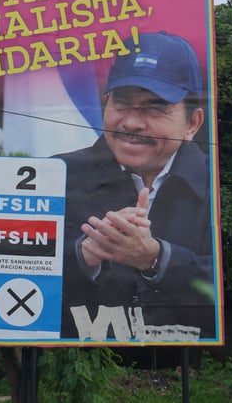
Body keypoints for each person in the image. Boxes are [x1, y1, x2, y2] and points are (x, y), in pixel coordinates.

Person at [58, 32, 215, 339]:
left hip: (191, 371)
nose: (131, 123)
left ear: (192, 124)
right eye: (122, 104)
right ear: (106, 102)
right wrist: (83, 255)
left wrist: (156, 258)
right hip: (78, 375)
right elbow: (17, 273)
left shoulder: (218, 184)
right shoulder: (58, 175)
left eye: (154, 108)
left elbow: (230, 282)